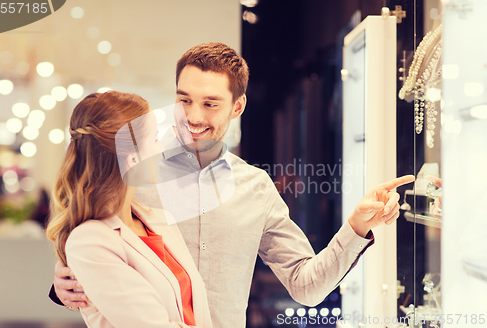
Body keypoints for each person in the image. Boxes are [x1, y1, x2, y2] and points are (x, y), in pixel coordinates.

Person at [51, 43, 414, 328]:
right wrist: (62, 278)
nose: (194, 116)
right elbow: (88, 237)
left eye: (210, 104)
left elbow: (307, 286)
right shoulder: (135, 174)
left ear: (237, 106)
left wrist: (356, 226)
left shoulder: (255, 188)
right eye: (184, 100)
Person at [46, 91, 212, 328]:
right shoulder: (90, 240)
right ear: (133, 159)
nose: (162, 146)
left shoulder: (158, 218)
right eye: (155, 138)